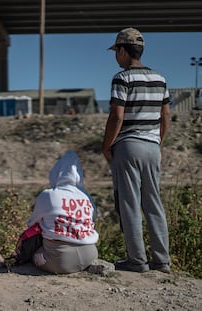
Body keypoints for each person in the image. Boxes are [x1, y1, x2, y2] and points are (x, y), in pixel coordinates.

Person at [102, 27, 171, 273]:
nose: (115, 56)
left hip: (128, 146)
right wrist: (157, 141)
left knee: (130, 203)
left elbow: (116, 117)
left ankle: (137, 261)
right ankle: (162, 261)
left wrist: (106, 145)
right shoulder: (160, 78)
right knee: (153, 202)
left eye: (116, 51)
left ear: (122, 50)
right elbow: (165, 117)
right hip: (152, 147)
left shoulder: (122, 78)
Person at [20, 151, 99, 274]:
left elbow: (32, 223)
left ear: (56, 173)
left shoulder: (48, 195)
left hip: (60, 260)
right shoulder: (86, 196)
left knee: (35, 254)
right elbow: (93, 218)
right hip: (90, 254)